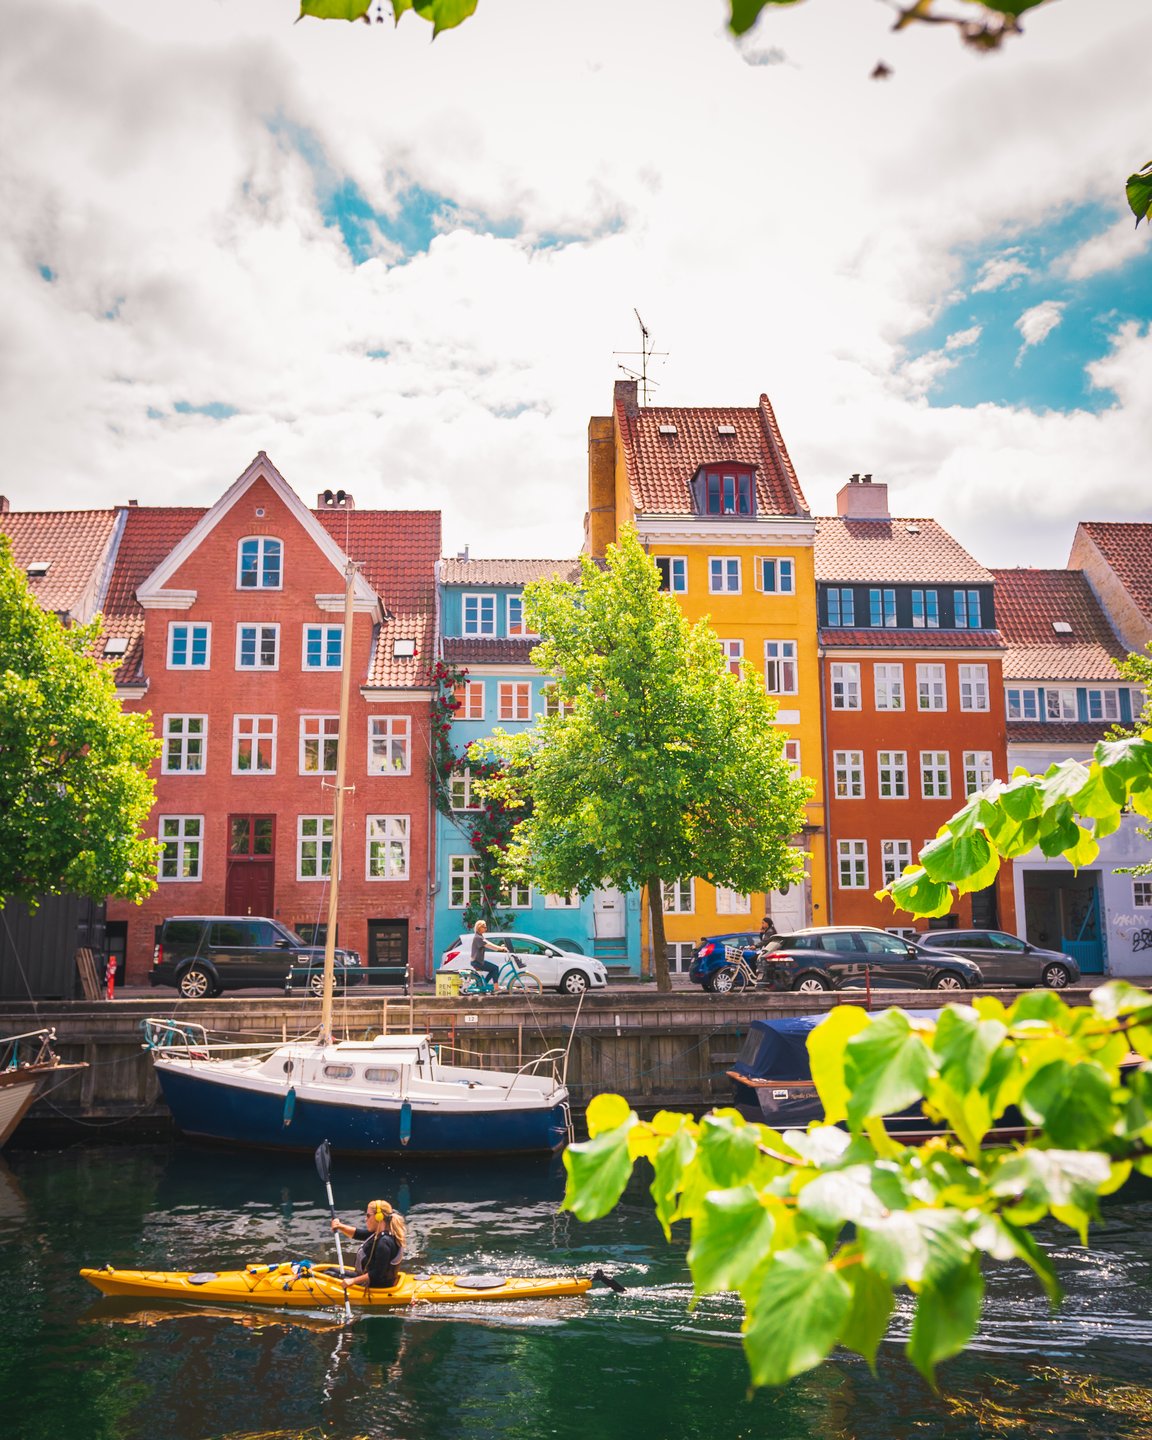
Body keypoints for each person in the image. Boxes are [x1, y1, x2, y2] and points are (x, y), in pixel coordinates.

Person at [331, 1199, 407, 1292]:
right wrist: (340, 1226)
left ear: (379, 1217)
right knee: (330, 1269)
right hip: (371, 1279)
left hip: (376, 1286)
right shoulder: (380, 1233)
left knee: (329, 1273)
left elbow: (377, 1274)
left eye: (368, 1215)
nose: (366, 1219)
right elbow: (358, 1234)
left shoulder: (384, 1243)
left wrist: (352, 1281)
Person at [470, 919, 510, 992]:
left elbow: (489, 943)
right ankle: (496, 987)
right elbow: (490, 946)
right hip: (477, 962)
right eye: (484, 927)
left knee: (492, 969)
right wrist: (501, 948)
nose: (486, 929)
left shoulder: (480, 936)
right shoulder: (478, 938)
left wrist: (500, 947)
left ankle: (484, 985)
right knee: (495, 968)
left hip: (477, 961)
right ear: (479, 928)